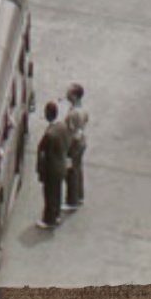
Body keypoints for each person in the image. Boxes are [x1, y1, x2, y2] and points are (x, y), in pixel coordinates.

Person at [34, 101, 71, 229]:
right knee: (58, 191)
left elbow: (44, 155)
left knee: (49, 194)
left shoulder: (49, 134)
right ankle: (57, 215)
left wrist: (40, 171)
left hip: (52, 169)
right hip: (61, 164)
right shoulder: (63, 126)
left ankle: (49, 219)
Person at [62, 83, 90, 211]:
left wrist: (66, 147)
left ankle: (71, 200)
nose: (67, 94)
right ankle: (79, 196)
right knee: (78, 168)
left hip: (73, 144)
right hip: (82, 142)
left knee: (71, 170)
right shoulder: (83, 110)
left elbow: (70, 131)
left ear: (74, 96)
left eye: (69, 92)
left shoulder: (73, 113)